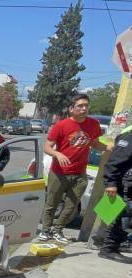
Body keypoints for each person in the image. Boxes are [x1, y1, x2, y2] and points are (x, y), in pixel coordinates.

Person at [39, 94, 108, 244]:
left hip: (80, 173)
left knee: (72, 206)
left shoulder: (93, 124)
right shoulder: (61, 125)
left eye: (86, 105)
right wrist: (57, 154)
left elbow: (94, 143)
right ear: (71, 109)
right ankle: (45, 230)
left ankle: (58, 230)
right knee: (52, 203)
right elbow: (47, 147)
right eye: (80, 106)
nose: (84, 108)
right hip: (59, 172)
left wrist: (109, 148)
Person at [98, 128, 132, 263]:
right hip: (126, 185)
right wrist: (111, 183)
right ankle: (109, 249)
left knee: (124, 217)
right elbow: (113, 162)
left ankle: (113, 245)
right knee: (123, 217)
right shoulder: (129, 137)